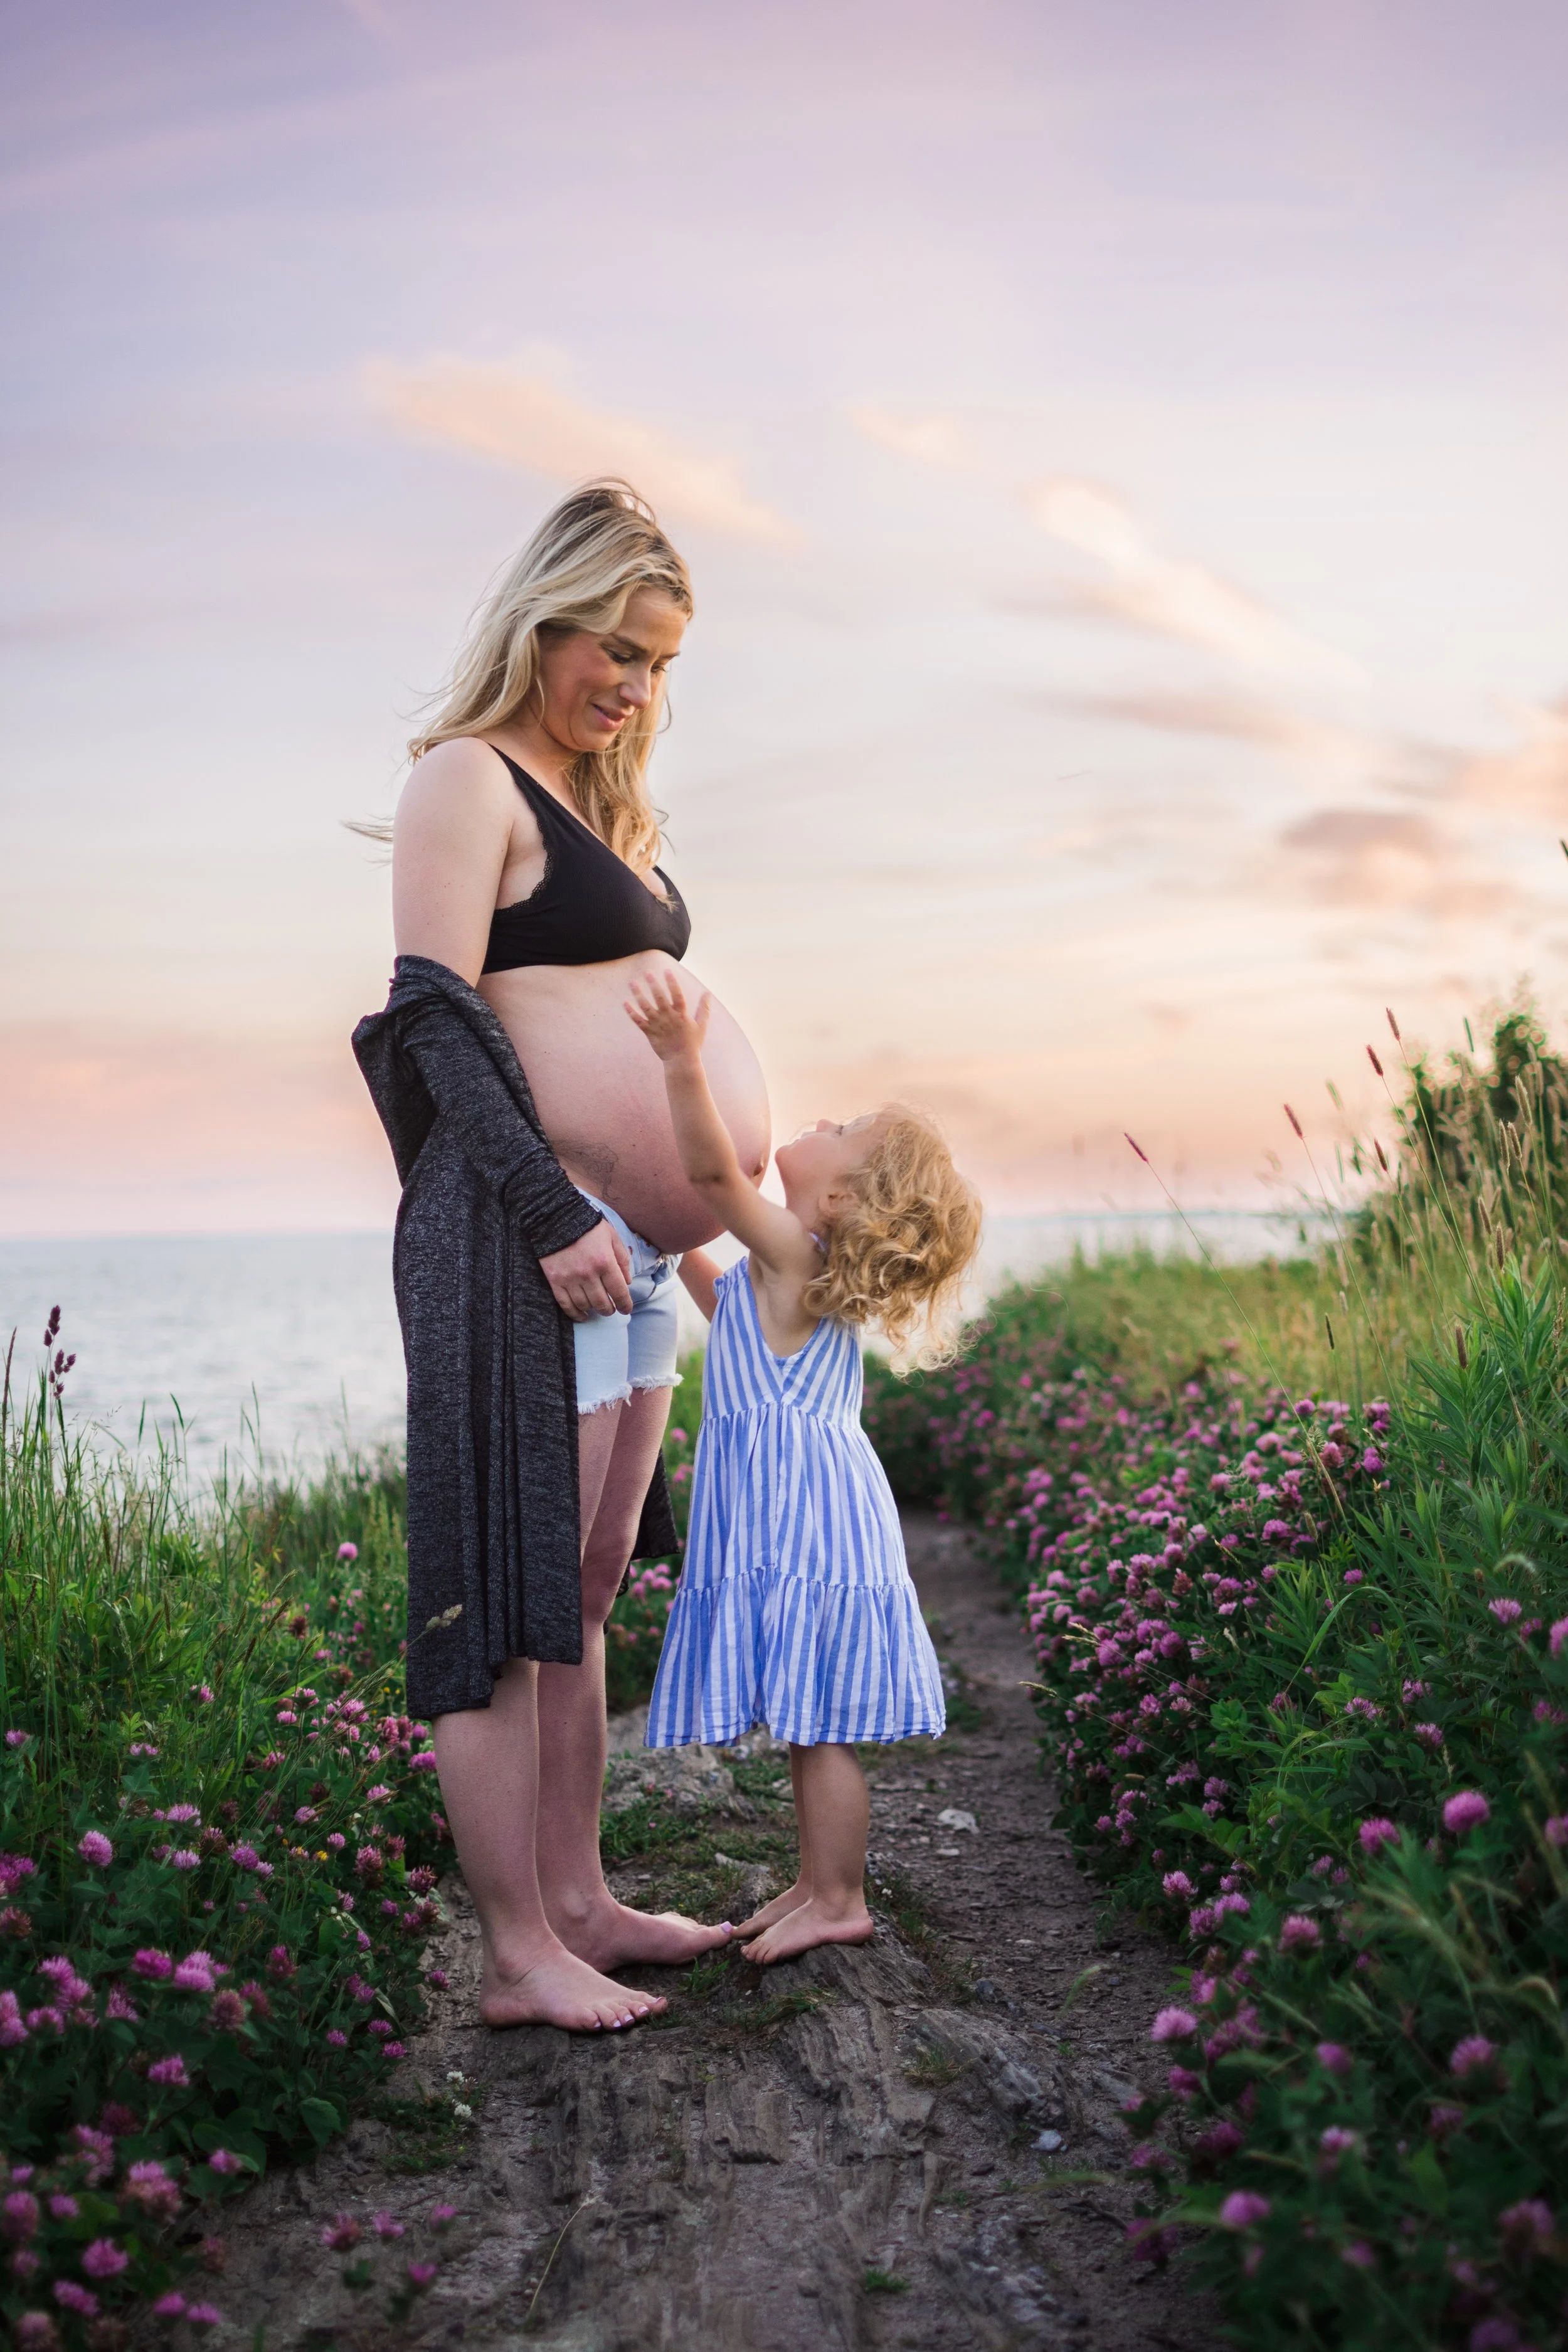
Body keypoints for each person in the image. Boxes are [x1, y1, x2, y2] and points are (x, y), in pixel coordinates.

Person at [354, 483, 769, 2032]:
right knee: (498, 1593)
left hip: (630, 1261)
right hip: (524, 1240)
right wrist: (550, 1212)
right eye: (617, 649)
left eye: (659, 664)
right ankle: (515, 1952)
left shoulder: (596, 803)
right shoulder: (466, 778)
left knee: (584, 1586)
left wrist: (691, 1235)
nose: (635, 687)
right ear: (546, 620)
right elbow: (430, 1016)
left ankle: (582, 1902)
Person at [624, 967, 983, 1964]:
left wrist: (680, 1059)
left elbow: (713, 1182)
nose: (823, 1118)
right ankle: (816, 1879)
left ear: (839, 1197)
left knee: (820, 1723)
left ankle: (840, 1897)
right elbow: (719, 1292)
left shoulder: (797, 1253)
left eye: (845, 1128)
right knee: (806, 1712)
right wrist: (662, 1243)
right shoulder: (780, 1272)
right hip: (802, 1512)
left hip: (805, 1519)